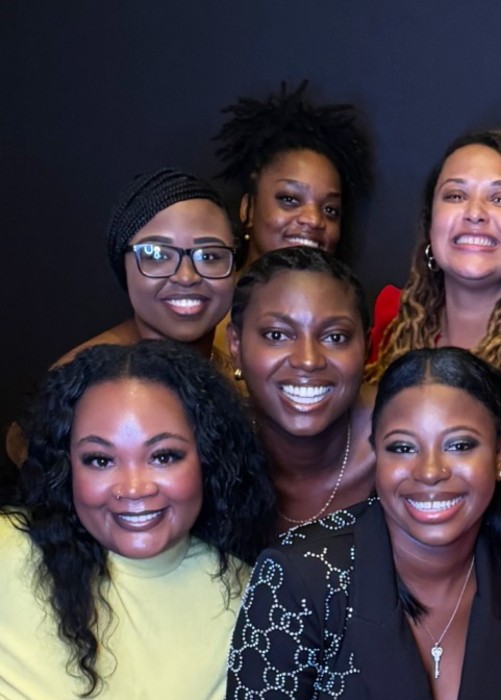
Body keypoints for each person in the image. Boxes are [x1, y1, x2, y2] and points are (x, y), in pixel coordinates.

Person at [227, 347, 501, 700]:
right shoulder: (298, 578)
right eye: (403, 447)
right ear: (376, 454)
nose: (430, 472)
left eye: (459, 446)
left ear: (500, 455)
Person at [0, 340, 275, 700]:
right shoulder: (7, 550)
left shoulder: (250, 603)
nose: (134, 488)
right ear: (66, 468)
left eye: (164, 456)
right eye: (100, 460)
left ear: (206, 458)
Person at [366, 130, 501, 489]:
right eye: (455, 195)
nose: (474, 214)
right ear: (430, 221)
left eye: (500, 199)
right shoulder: (391, 323)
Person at [5, 167, 241, 466]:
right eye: (157, 254)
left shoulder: (231, 364)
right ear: (123, 264)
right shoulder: (83, 384)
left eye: (209, 255)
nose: (186, 276)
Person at [228, 246, 375, 536]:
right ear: (235, 345)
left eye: (335, 337)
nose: (308, 360)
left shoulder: (404, 443)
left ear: (366, 347)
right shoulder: (212, 449)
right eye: (277, 335)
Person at [214, 80, 370, 264]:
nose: (313, 220)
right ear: (247, 208)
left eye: (330, 210)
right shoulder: (207, 291)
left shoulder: (351, 293)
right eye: (290, 200)